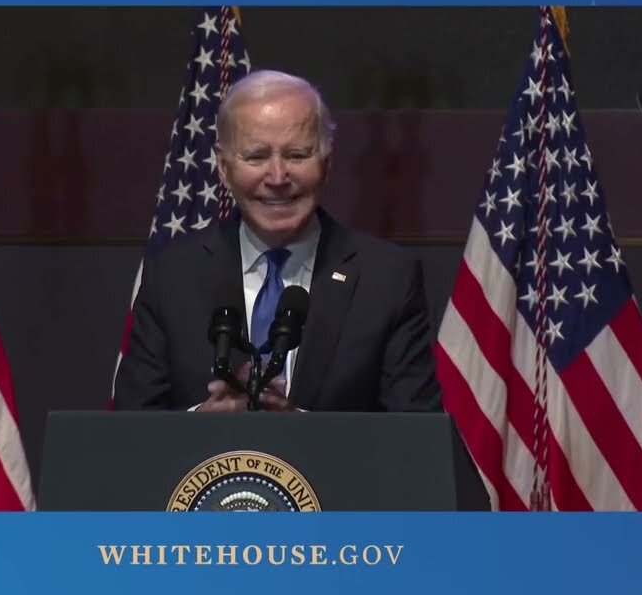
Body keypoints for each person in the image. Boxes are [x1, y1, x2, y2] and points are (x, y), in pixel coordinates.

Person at [113, 70, 443, 412]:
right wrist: (199, 424)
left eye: (297, 155)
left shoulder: (386, 280)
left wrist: (296, 433)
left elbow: (415, 440)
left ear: (327, 166)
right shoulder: (171, 275)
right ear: (224, 169)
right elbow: (129, 434)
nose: (277, 177)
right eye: (256, 156)